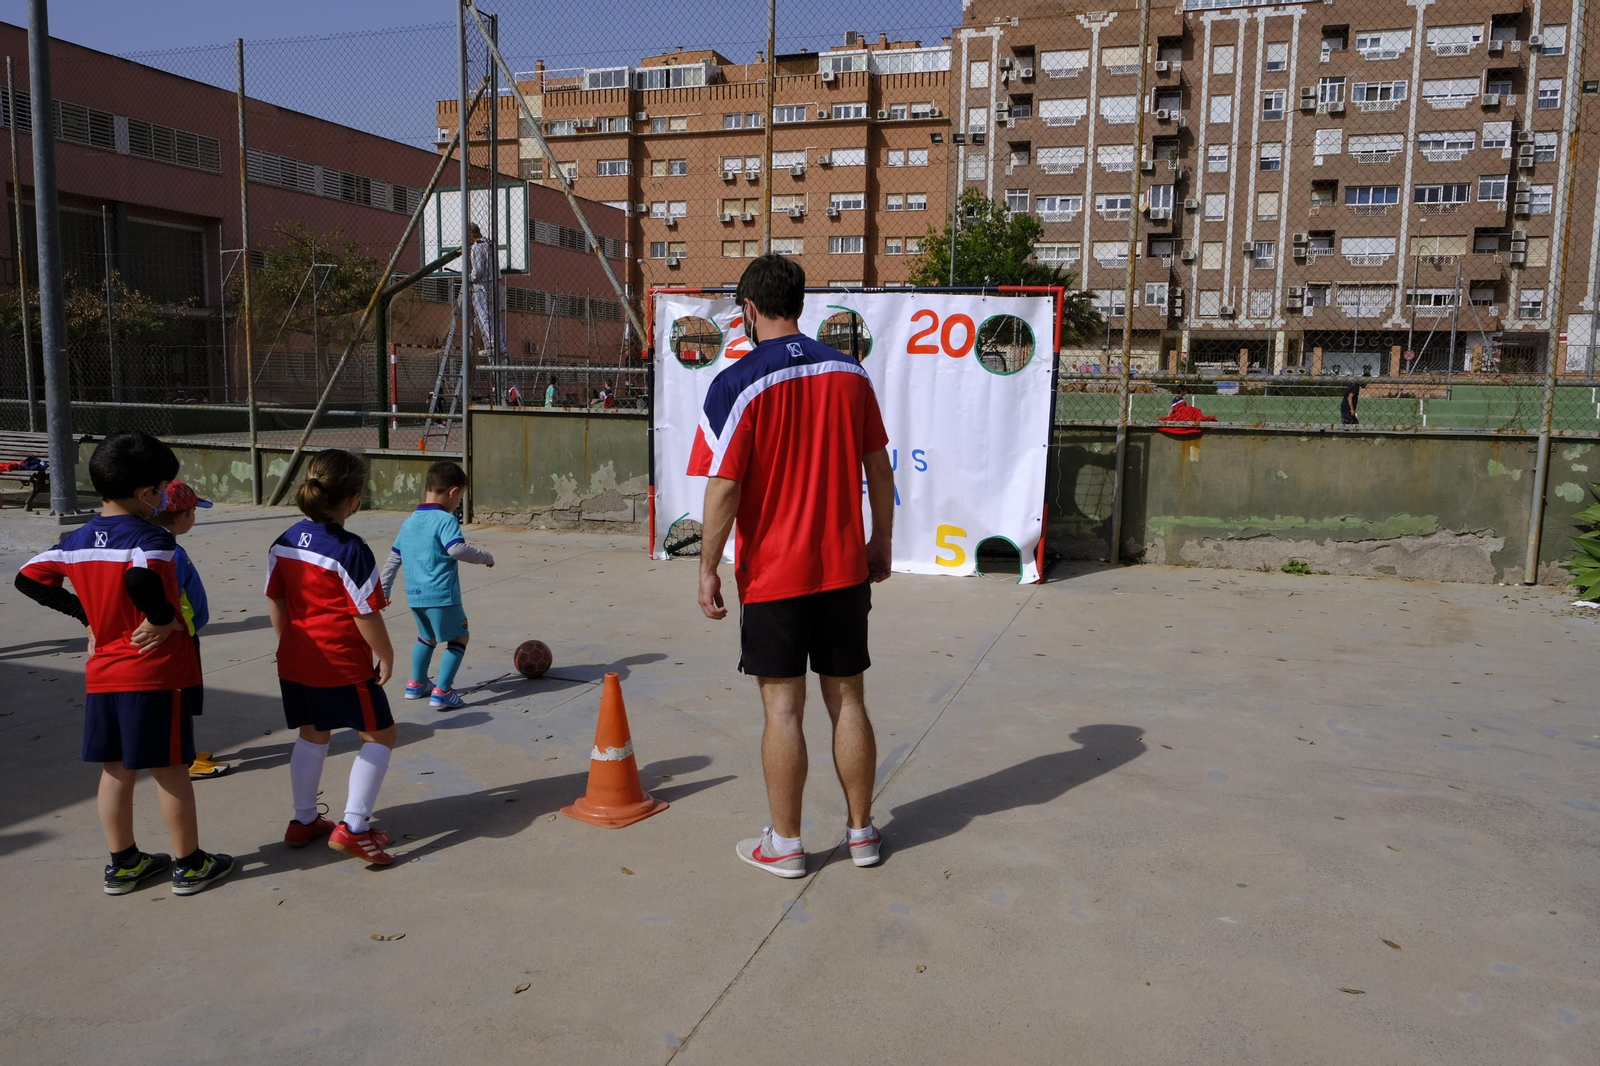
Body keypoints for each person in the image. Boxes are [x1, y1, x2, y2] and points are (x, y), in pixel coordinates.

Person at [689, 253, 895, 877]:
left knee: (782, 710)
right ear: (800, 303)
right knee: (848, 700)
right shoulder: (850, 373)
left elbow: (724, 486)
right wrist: (881, 541)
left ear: (749, 309)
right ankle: (862, 834)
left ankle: (786, 845)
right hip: (843, 571)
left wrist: (707, 566)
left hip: (774, 576)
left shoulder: (737, 382)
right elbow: (879, 467)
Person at [14, 432, 234, 896]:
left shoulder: (74, 540)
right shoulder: (152, 537)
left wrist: (85, 616)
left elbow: (28, 578)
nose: (164, 496)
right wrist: (162, 618)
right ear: (146, 492)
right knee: (170, 769)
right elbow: (139, 579)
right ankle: (190, 865)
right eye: (162, 489)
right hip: (154, 673)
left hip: (104, 675)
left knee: (115, 769)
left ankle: (124, 863)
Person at [266, 450, 398, 866]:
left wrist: (287, 644)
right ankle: (354, 828)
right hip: (341, 662)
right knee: (379, 735)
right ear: (353, 500)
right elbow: (365, 613)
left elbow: (276, 600)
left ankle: (303, 820)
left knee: (312, 732)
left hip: (295, 658)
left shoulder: (284, 541)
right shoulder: (351, 549)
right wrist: (386, 654)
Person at [379, 460, 495, 710]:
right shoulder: (445, 520)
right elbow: (456, 549)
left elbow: (394, 559)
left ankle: (417, 683)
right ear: (453, 492)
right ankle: (443, 691)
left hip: (415, 596)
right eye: (460, 497)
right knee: (460, 637)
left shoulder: (409, 521)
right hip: (441, 595)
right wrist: (485, 556)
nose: (459, 502)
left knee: (426, 637)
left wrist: (384, 590)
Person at [149, 479, 229, 779]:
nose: (194, 517)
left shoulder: (165, 546)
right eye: (193, 512)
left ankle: (188, 751)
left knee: (186, 699)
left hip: (184, 634)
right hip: (179, 637)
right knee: (180, 702)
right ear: (181, 517)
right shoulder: (170, 553)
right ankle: (185, 759)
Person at [466, 223, 505, 357]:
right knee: (494, 315)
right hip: (494, 282)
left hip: (483, 285)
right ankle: (501, 345)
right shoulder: (489, 244)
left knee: (484, 315)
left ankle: (493, 345)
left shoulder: (477, 248)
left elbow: (478, 272)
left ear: (471, 234)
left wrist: (468, 278)